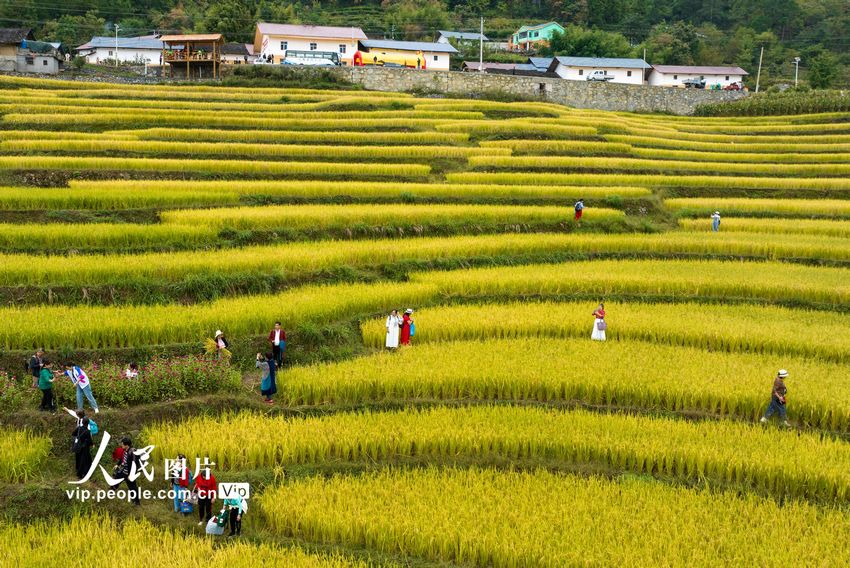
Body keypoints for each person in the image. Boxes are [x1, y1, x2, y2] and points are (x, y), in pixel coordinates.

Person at [113, 436, 141, 505]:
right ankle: (112, 490)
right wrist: (117, 464)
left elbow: (135, 464)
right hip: (123, 470)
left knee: (132, 487)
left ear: (127, 445)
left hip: (129, 473)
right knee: (116, 478)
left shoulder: (133, 452)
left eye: (122, 444)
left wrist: (131, 475)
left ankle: (136, 502)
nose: (121, 445)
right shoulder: (125, 450)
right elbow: (122, 459)